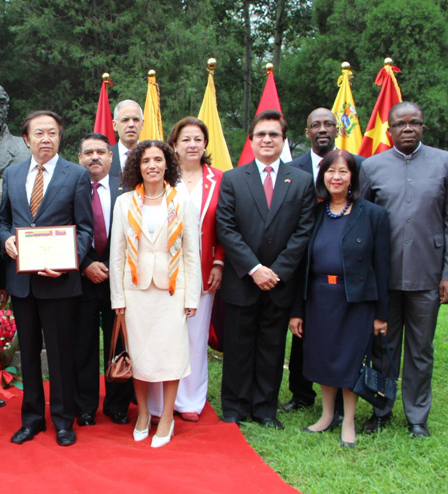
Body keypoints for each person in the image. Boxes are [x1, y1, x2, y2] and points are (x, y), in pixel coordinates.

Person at [359, 102, 448, 438]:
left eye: (414, 123)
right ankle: (381, 410)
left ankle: (417, 416)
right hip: (384, 275)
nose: (407, 129)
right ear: (389, 130)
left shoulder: (446, 163)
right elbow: (364, 222)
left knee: (421, 349)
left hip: (427, 274)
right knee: (383, 346)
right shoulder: (372, 166)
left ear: (423, 127)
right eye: (400, 124)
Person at [0, 110, 93, 447]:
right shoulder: (13, 174)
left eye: (52, 132)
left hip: (59, 281)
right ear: (26, 139)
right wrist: (6, 240)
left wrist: (69, 262)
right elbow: (3, 220)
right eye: (39, 133)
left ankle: (64, 421)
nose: (46, 139)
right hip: (23, 283)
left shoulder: (76, 175)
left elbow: (85, 229)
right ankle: (32, 419)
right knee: (28, 353)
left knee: (60, 354)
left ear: (59, 137)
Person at [215, 110, 315, 429]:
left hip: (280, 282)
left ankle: (264, 409)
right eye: (261, 134)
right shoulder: (233, 179)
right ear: (251, 140)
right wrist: (255, 268)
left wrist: (277, 271)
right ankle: (234, 407)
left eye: (274, 134)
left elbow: (304, 231)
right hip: (243, 279)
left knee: (272, 347)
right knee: (238, 347)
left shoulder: (301, 181)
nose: (267, 139)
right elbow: (226, 227)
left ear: (284, 140)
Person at [289, 150, 390, 448]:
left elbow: (383, 267)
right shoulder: (314, 213)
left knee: (349, 360)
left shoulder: (373, 214)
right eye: (331, 171)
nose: (336, 177)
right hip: (319, 298)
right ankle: (327, 415)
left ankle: (348, 422)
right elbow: (301, 266)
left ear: (353, 177)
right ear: (323, 176)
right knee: (322, 357)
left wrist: (381, 314)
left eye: (343, 171)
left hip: (355, 300)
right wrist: (297, 310)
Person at [109, 140, 201, 448]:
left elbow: (191, 252)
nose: (152, 165)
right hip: (135, 292)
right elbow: (117, 255)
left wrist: (192, 297)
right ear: (137, 166)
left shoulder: (181, 201)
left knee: (171, 355)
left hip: (172, 291)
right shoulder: (124, 203)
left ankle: (168, 418)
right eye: (146, 160)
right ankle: (144, 414)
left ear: (167, 164)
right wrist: (118, 298)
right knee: (140, 356)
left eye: (158, 160)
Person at [283, 108, 364, 414]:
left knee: (343, 333)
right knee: (302, 332)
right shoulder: (293, 168)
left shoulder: (356, 165)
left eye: (328, 124)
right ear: (307, 132)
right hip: (303, 259)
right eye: (315, 125)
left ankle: (341, 396)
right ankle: (301, 393)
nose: (322, 129)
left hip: (342, 261)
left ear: (336, 130)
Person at [147, 117, 223, 423]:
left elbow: (227, 226)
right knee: (161, 337)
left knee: (194, 335)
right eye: (186, 139)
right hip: (161, 271)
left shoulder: (220, 180)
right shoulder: (160, 177)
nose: (192, 145)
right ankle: (156, 403)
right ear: (174, 144)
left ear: (205, 144)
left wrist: (219, 261)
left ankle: (190, 399)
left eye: (198, 139)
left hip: (203, 270)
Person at [73, 133, 132, 427]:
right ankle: (85, 407)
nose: (94, 157)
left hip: (118, 280)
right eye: (88, 152)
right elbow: (65, 228)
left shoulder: (128, 189)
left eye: (100, 151)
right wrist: (85, 265)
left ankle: (117, 405)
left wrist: (108, 266)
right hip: (80, 280)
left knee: (118, 342)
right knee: (82, 346)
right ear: (79, 158)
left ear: (111, 156)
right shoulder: (70, 188)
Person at [109, 100, 144, 180]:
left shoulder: (151, 156)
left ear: (142, 124)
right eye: (125, 120)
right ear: (115, 125)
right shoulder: (106, 157)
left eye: (136, 119)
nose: (131, 125)